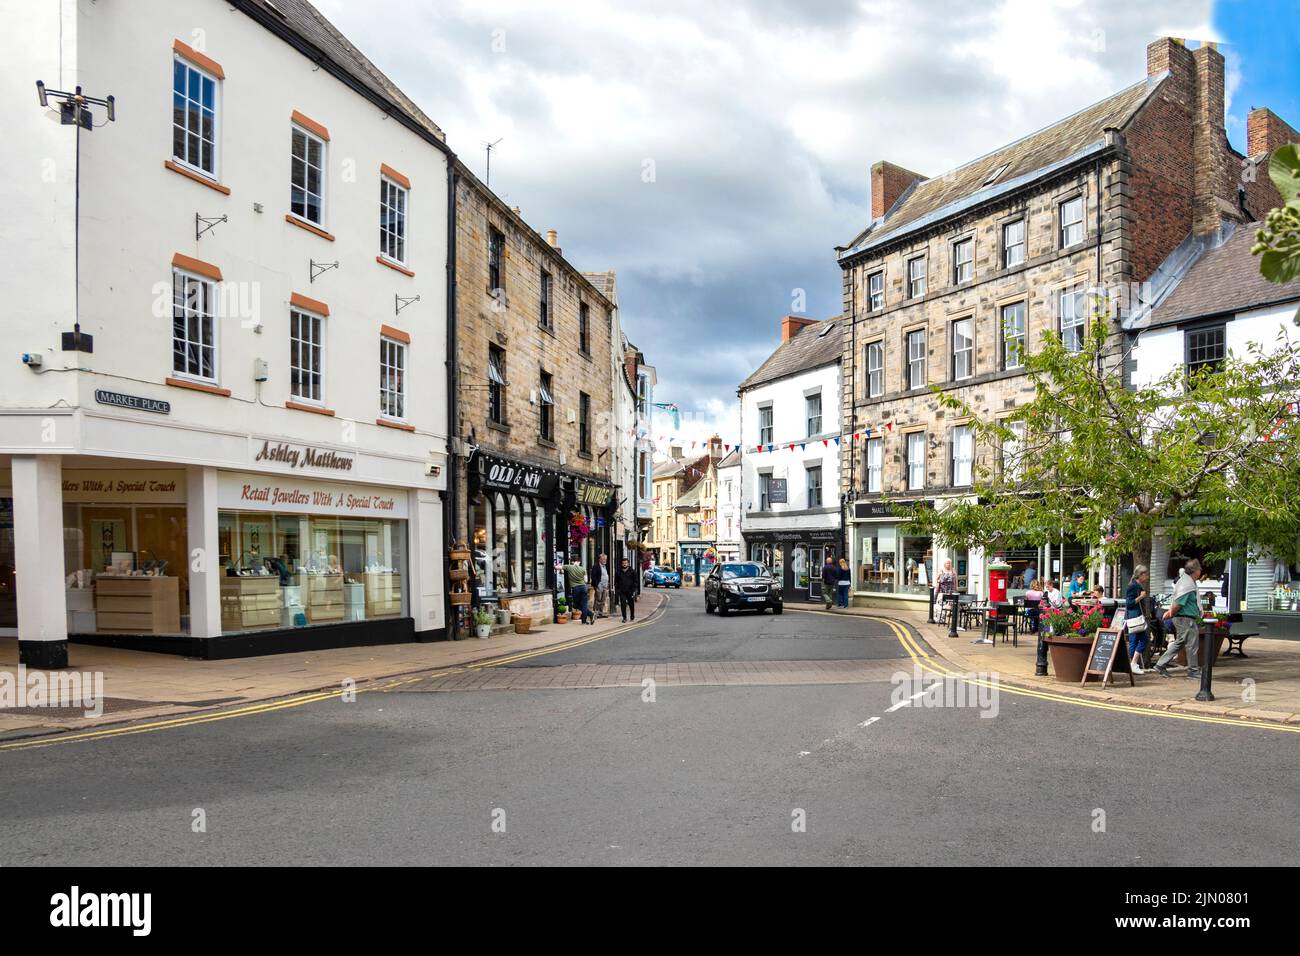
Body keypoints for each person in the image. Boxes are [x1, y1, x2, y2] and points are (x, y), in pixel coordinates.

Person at [1155, 559, 1203, 678]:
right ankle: (1193, 671)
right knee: (1192, 645)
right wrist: (1170, 613)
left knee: (1180, 642)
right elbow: (1178, 603)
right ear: (1195, 571)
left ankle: (1161, 664)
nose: (1201, 572)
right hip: (1185, 619)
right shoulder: (1187, 584)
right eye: (1199, 569)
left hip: (1184, 618)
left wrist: (1171, 613)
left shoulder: (1187, 582)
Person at [1124, 566, 1151, 674]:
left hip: (1135, 617)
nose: (1147, 577)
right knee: (1143, 640)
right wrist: (1140, 597)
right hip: (1135, 618)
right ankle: (1133, 664)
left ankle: (1132, 664)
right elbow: (1129, 603)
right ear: (1141, 575)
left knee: (1134, 641)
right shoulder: (1133, 586)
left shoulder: (1136, 585)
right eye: (1146, 574)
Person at [563, 560, 593, 625]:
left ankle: (589, 615)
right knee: (584, 605)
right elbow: (586, 580)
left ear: (573, 562)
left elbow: (558, 567)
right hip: (583, 587)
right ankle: (587, 617)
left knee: (576, 605)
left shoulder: (569, 567)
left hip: (575, 589)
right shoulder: (583, 569)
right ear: (579, 562)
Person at [614, 557, 639, 622]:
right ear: (621, 564)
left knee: (631, 604)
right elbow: (616, 581)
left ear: (628, 563)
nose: (624, 564)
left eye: (626, 563)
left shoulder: (632, 571)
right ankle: (624, 617)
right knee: (623, 604)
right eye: (623, 563)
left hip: (630, 591)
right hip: (622, 591)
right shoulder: (618, 572)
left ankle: (632, 615)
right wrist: (618, 590)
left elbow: (635, 581)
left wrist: (634, 590)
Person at [589, 553, 609, 619]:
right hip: (599, 586)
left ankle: (601, 613)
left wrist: (606, 584)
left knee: (603, 600)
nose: (605, 560)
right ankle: (595, 613)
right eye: (603, 559)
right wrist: (597, 585)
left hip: (605, 586)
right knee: (598, 600)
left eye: (605, 559)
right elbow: (593, 576)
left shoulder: (605, 566)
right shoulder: (596, 566)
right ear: (599, 559)